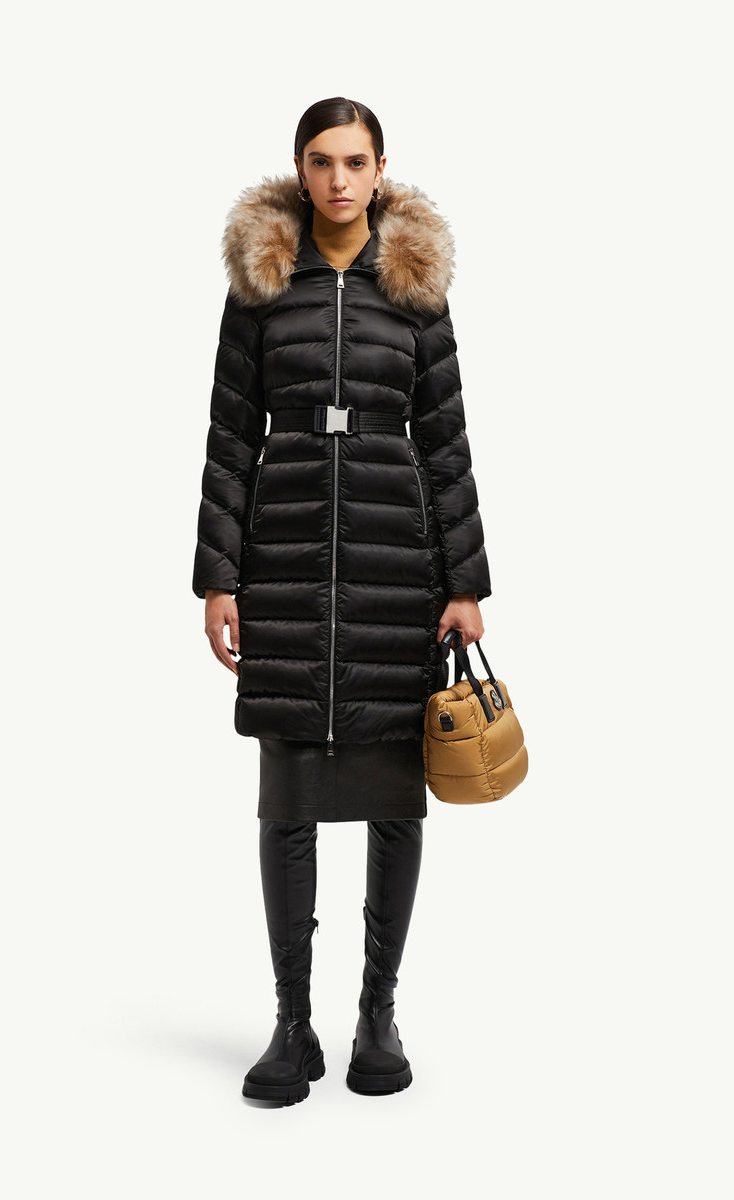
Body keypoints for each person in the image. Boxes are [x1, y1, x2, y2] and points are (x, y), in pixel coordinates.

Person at [191, 96, 492, 1104]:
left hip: (393, 562)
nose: (337, 180)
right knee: (285, 804)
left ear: (380, 169)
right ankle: (292, 1024)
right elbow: (229, 437)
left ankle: (376, 1014)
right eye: (320, 162)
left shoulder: (414, 288)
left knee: (395, 801)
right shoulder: (259, 285)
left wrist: (464, 582)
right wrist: (218, 575)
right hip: (280, 561)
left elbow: (444, 440)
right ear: (298, 169)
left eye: (354, 162)